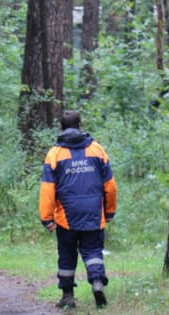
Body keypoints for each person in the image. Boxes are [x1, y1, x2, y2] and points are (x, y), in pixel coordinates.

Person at [39, 110, 117, 309]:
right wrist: (109, 211)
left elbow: (48, 189)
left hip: (66, 217)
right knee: (93, 252)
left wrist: (46, 218)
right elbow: (110, 185)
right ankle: (97, 283)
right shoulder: (97, 150)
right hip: (93, 214)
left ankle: (68, 296)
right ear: (80, 124)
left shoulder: (54, 154)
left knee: (67, 255)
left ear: (62, 127)